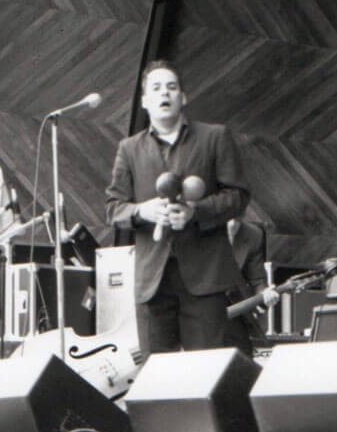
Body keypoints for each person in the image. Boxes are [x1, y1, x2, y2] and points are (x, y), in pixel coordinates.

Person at [106, 60, 249, 354]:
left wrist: (195, 213)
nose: (164, 94)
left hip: (205, 278)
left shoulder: (215, 137)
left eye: (171, 87)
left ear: (184, 97)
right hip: (153, 283)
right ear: (145, 101)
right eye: (156, 88)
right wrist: (141, 211)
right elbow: (113, 208)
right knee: (157, 380)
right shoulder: (129, 149)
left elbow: (238, 196)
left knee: (205, 374)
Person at [224, 217, 280, 355]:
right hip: (198, 311)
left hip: (235, 313)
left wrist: (265, 294)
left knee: (243, 364)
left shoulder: (253, 234)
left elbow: (258, 280)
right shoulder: (197, 227)